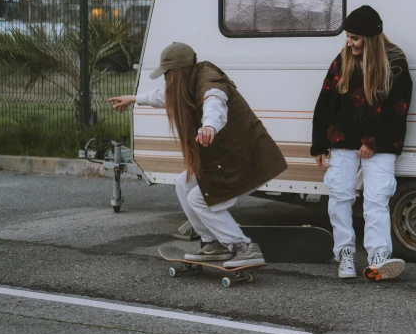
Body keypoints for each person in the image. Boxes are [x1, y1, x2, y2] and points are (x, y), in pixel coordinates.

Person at [108, 42, 287, 267]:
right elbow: (165, 96)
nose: (166, 80)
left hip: (245, 157)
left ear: (177, 72)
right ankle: (214, 243)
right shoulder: (189, 81)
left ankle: (244, 247)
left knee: (199, 199)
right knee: (183, 182)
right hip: (230, 157)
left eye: (167, 75)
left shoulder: (209, 82)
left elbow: (215, 103)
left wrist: (209, 126)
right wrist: (134, 99)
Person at [311, 5, 413, 281]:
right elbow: (326, 101)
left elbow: (399, 107)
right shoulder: (343, 60)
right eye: (348, 37)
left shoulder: (395, 61)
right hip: (344, 139)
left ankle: (379, 256)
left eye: (355, 38)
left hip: (381, 142)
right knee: (340, 196)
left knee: (377, 198)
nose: (349, 43)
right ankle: (344, 253)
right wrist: (319, 143)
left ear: (370, 38)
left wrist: (374, 141)